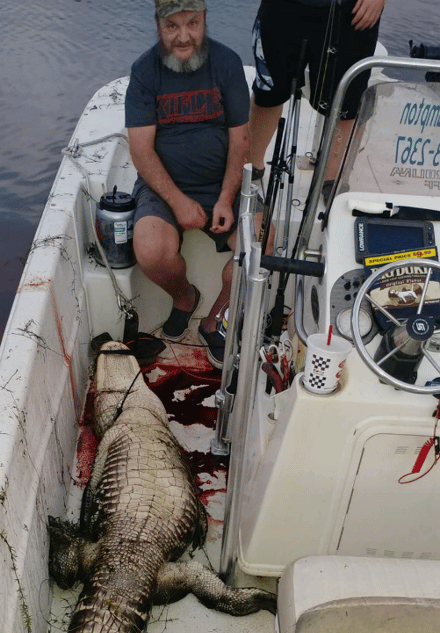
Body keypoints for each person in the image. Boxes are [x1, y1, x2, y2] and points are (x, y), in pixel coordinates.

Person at [125, 0, 261, 368]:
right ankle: (185, 298)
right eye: (172, 27)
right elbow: (141, 150)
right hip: (163, 187)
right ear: (158, 25)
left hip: (222, 183)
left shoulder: (227, 63)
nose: (184, 37)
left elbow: (240, 141)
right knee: (150, 250)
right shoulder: (143, 71)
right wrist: (177, 200)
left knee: (261, 243)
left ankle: (215, 320)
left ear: (205, 21)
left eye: (193, 24)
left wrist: (226, 197)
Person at [249, 0, 386, 198]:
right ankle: (251, 166)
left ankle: (332, 180)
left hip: (353, 10)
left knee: (347, 101)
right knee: (269, 90)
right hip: (281, 8)